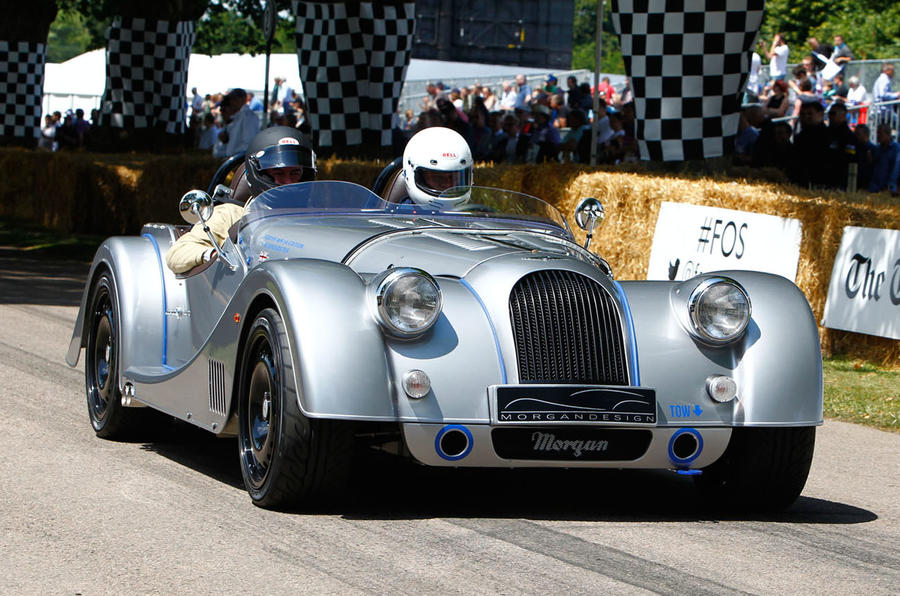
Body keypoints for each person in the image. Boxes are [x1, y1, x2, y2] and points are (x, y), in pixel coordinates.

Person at [167, 127, 317, 274]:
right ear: (261, 174)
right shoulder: (229, 215)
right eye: (279, 173)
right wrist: (216, 257)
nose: (288, 182)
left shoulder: (319, 216)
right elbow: (178, 253)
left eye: (295, 173)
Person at [395, 127, 474, 208]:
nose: (447, 184)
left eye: (453, 177)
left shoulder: (471, 213)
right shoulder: (400, 217)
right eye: (438, 177)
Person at [868, 124, 900, 195]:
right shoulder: (877, 149)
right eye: (877, 133)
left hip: (888, 188)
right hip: (875, 187)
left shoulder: (896, 149)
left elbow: (895, 170)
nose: (878, 136)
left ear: (888, 134)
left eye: (880, 133)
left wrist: (890, 186)